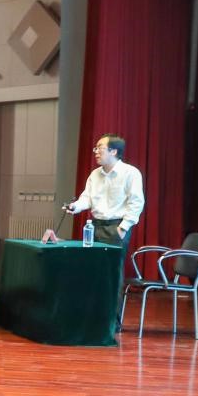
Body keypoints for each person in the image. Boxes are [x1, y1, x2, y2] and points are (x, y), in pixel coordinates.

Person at [64, 134, 145, 324]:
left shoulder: (130, 173)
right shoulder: (95, 174)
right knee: (93, 272)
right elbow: (87, 198)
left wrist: (123, 228)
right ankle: (94, 317)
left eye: (100, 148)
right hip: (95, 226)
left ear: (114, 151)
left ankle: (112, 322)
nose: (96, 152)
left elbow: (136, 202)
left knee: (112, 275)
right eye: (96, 148)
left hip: (117, 227)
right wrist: (75, 207)